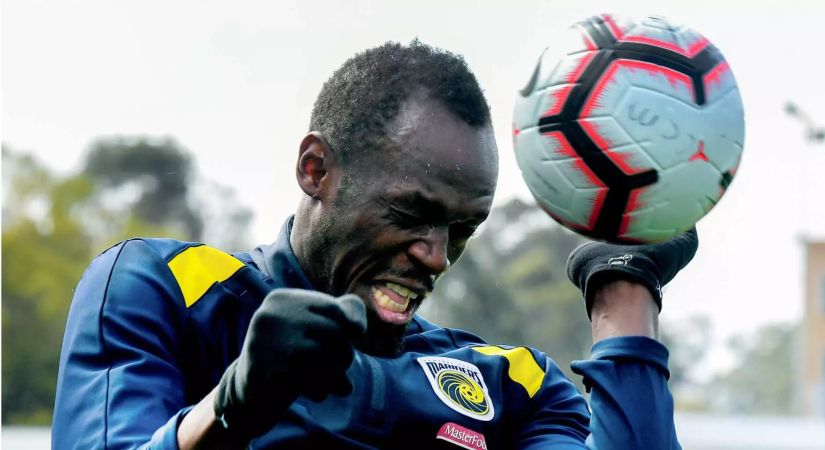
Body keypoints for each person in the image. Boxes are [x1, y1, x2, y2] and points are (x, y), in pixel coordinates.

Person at [52, 41, 697, 449]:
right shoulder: (162, 291)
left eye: (461, 231)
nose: (437, 255)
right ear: (316, 169)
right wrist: (229, 408)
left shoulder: (512, 384)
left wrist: (624, 293)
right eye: (412, 214)